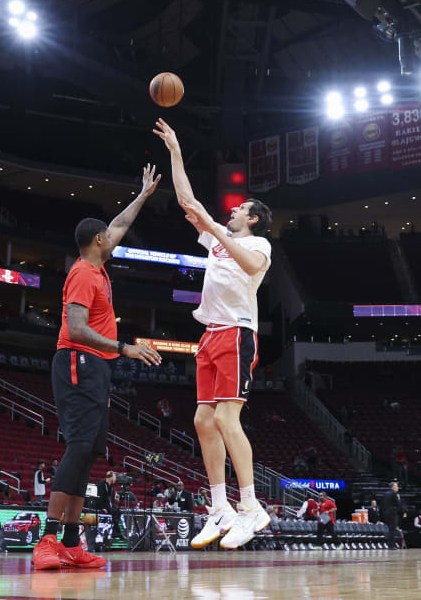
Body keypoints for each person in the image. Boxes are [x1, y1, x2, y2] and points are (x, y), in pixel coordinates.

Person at [32, 170, 163, 572]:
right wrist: (125, 347)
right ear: (98, 241)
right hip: (77, 361)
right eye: (108, 234)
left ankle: (72, 543)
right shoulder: (83, 274)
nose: (115, 234)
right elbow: (75, 329)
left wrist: (141, 194)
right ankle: (48, 539)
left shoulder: (98, 265)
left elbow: (120, 223)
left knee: (89, 450)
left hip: (96, 367)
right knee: (78, 445)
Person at [156, 119, 274, 550]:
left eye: (241, 208)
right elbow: (187, 200)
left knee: (226, 418)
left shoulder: (259, 245)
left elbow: (249, 266)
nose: (234, 211)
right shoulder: (217, 237)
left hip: (238, 334)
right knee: (202, 420)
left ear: (253, 218)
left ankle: (251, 508)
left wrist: (213, 224)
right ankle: (220, 507)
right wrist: (176, 151)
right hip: (209, 334)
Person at [95, 471, 123, 540]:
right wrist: (102, 508)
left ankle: (115, 531)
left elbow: (111, 498)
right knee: (114, 511)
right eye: (114, 477)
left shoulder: (111, 486)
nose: (116, 479)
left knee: (118, 511)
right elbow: (99, 497)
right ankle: (117, 533)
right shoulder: (101, 484)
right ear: (110, 477)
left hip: (109, 504)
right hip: (103, 504)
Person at [381, 481, 404, 548]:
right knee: (393, 530)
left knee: (390, 529)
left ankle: (389, 545)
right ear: (393, 487)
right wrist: (402, 512)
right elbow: (398, 504)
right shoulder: (394, 494)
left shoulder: (385, 494)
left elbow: (382, 505)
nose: (398, 488)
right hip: (393, 514)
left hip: (386, 514)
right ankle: (392, 545)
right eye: (397, 486)